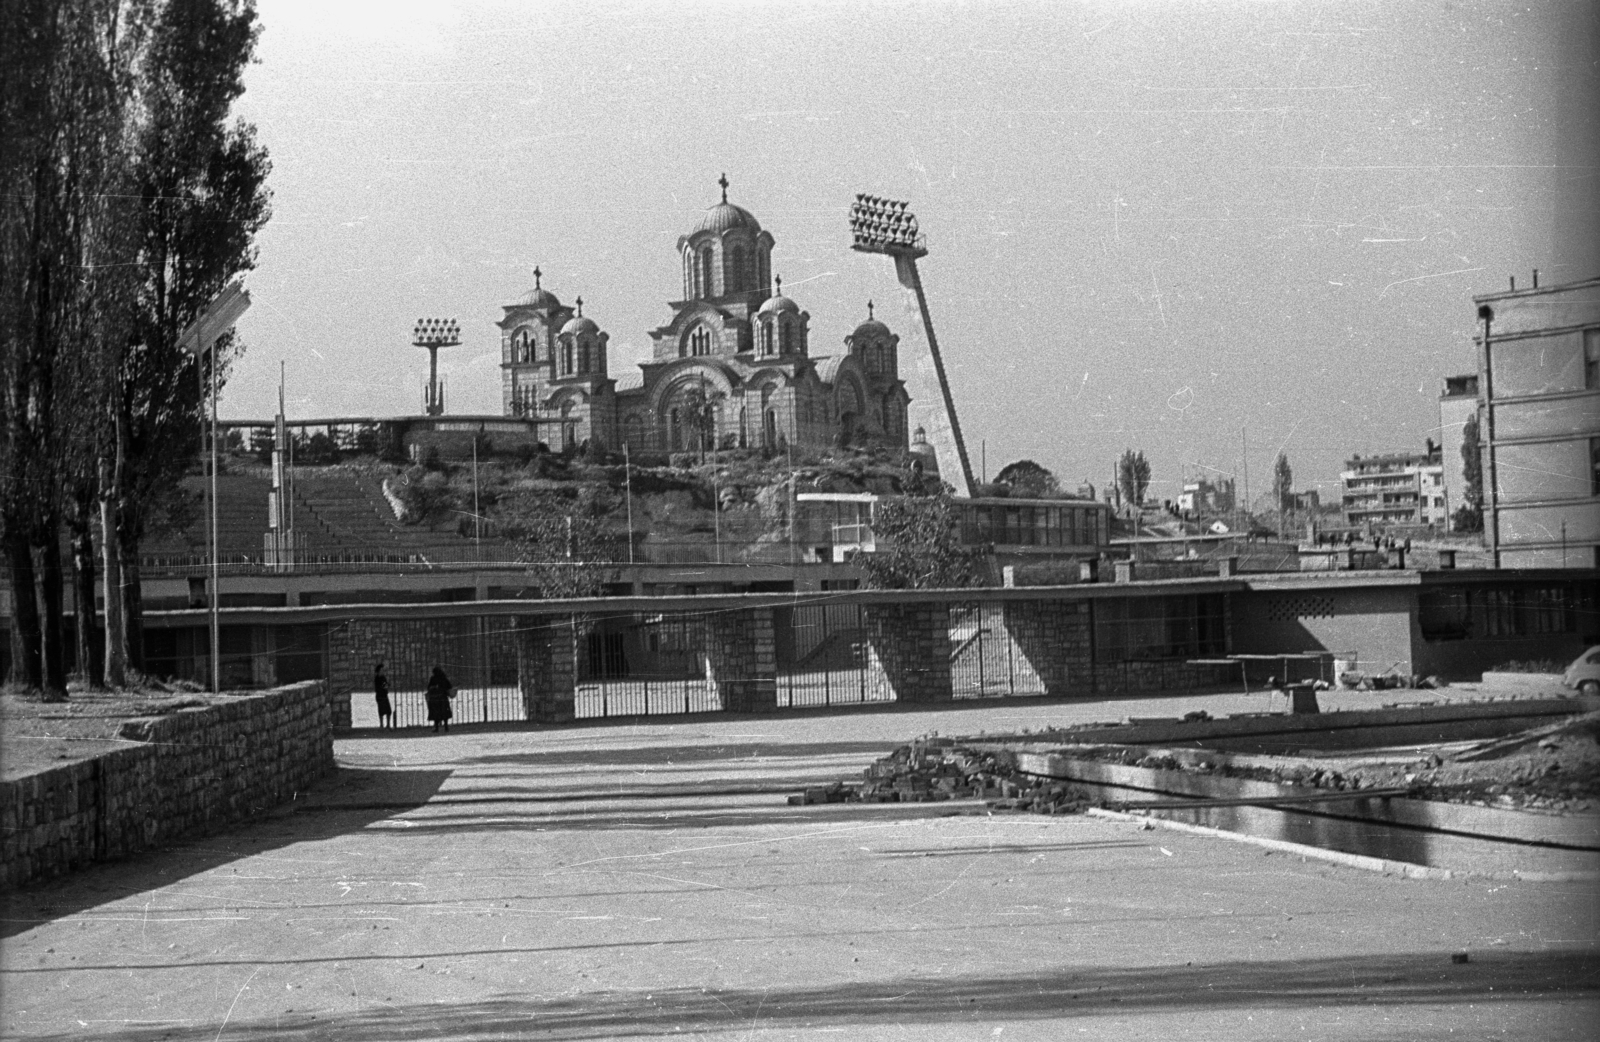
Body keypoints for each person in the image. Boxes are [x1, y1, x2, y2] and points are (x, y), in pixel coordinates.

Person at [425, 665, 453, 733]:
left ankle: (436, 728)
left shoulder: (433, 678)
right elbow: (449, 687)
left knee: (436, 714)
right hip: (443, 697)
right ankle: (446, 727)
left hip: (435, 698)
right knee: (444, 713)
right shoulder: (444, 678)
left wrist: (434, 687)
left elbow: (428, 688)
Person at [373, 662, 393, 729]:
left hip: (384, 695)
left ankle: (388, 724)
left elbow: (385, 685)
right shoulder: (378, 678)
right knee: (381, 711)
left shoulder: (382, 677)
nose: (383, 671)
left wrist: (387, 685)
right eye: (381, 670)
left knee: (388, 711)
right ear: (378, 671)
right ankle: (381, 724)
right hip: (380, 696)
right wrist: (388, 685)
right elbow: (384, 686)